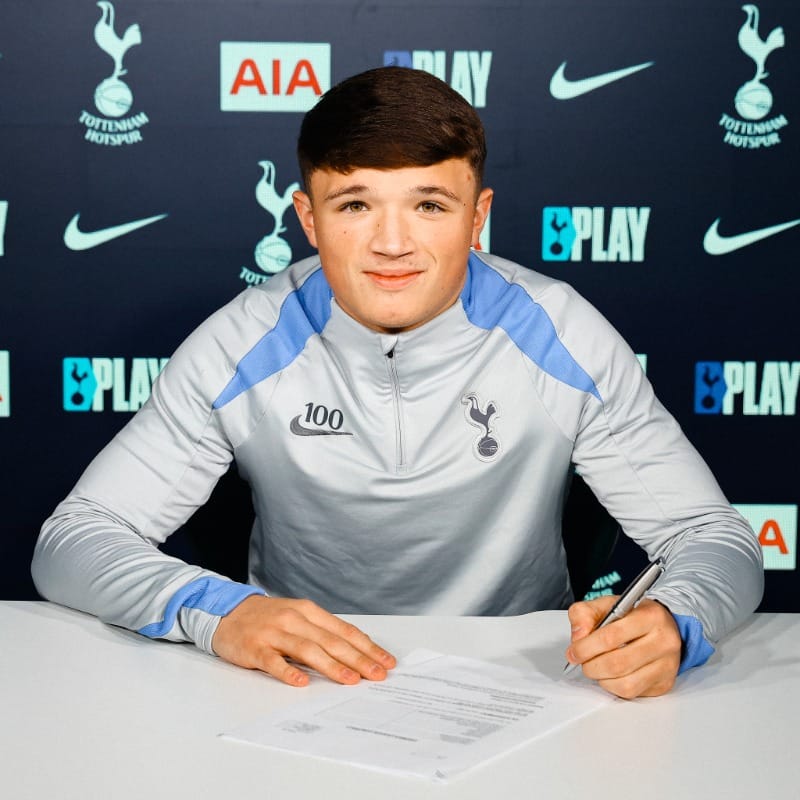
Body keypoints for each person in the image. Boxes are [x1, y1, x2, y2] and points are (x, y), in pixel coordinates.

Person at [33, 66, 763, 699]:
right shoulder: (242, 339)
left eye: (429, 205)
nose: (391, 243)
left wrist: (676, 622)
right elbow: (74, 539)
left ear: (478, 217)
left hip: (526, 679)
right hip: (294, 682)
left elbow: (711, 536)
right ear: (308, 219)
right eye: (355, 204)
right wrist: (217, 610)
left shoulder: (560, 330)